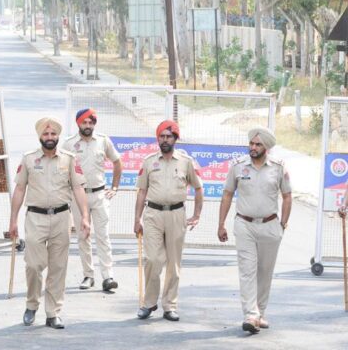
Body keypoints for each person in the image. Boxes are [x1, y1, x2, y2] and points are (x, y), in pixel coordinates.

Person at [9, 117, 90, 329]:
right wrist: (13, 220)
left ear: (58, 136)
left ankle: (53, 312)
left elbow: (78, 189)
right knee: (34, 265)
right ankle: (31, 304)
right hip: (35, 218)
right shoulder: (28, 159)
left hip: (62, 218)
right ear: (39, 137)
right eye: (46, 134)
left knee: (58, 267)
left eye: (53, 134)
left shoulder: (69, 159)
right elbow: (19, 189)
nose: (50, 137)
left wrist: (85, 217)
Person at [218, 127, 291, 334]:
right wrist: (221, 224)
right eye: (251, 143)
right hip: (244, 224)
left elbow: (287, 196)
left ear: (266, 147)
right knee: (247, 269)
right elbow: (227, 195)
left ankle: (260, 312)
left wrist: (283, 224)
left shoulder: (278, 167)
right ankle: (250, 313)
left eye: (258, 144)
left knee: (265, 271)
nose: (253, 147)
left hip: (270, 225)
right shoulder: (238, 167)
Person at [133, 120, 203, 322]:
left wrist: (197, 214)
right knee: (153, 259)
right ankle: (148, 303)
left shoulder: (185, 161)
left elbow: (198, 188)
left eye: (169, 136)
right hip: (153, 214)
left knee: (173, 262)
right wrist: (137, 219)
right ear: (157, 138)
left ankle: (170, 305)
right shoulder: (149, 162)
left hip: (176, 214)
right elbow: (142, 191)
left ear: (175, 139)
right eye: (162, 136)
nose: (165, 140)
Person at [62, 108, 122, 292]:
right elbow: (62, 170)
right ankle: (88, 275)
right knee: (83, 236)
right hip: (78, 197)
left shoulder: (103, 140)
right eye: (84, 122)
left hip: (99, 194)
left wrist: (114, 187)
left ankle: (108, 276)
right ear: (78, 123)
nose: (88, 126)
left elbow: (117, 162)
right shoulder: (69, 144)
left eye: (91, 122)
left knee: (103, 236)